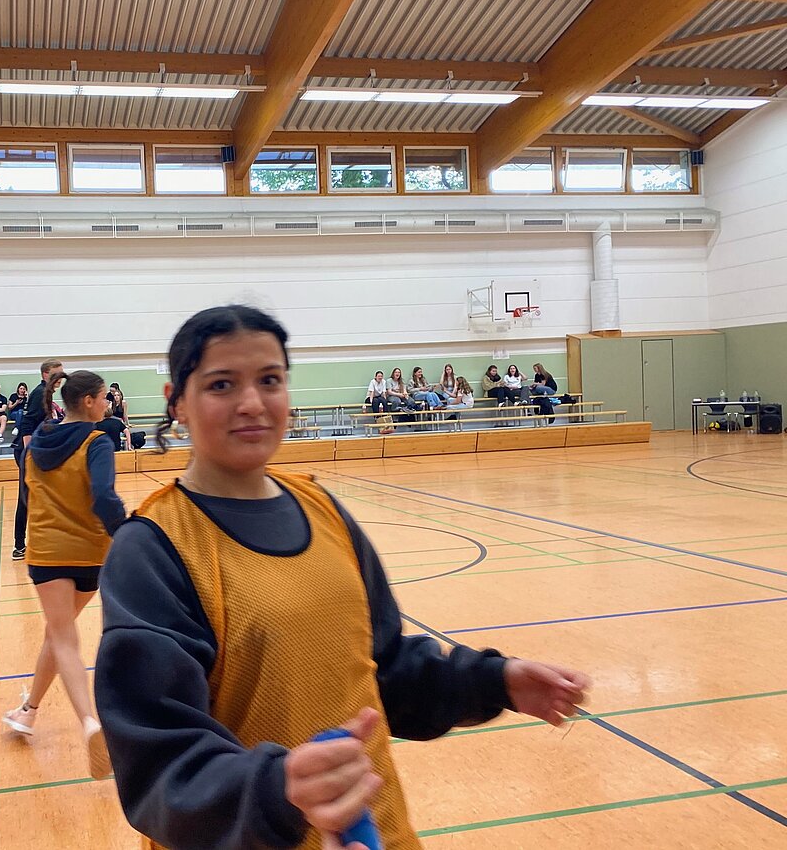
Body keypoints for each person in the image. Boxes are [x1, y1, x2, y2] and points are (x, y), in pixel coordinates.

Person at [93, 305, 591, 850]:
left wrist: (493, 681)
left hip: (377, 834)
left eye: (270, 380)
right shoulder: (152, 548)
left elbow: (383, 668)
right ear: (177, 403)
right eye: (221, 384)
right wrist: (278, 789)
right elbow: (160, 757)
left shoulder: (322, 508)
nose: (252, 402)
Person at [0, 369, 125, 781]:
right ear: (88, 401)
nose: (107, 403)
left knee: (62, 637)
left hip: (48, 553)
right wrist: (125, 533)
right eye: (103, 397)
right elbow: (104, 497)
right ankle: (29, 710)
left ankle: (89, 722)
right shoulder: (97, 441)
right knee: (58, 634)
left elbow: (26, 493)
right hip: (90, 554)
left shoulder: (37, 442)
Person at [12, 359, 65, 562]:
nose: (60, 377)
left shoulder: (46, 393)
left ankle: (45, 540)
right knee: (26, 498)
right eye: (56, 374)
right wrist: (29, 455)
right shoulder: (40, 393)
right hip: (28, 451)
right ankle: (19, 545)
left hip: (37, 450)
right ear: (45, 375)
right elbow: (26, 424)